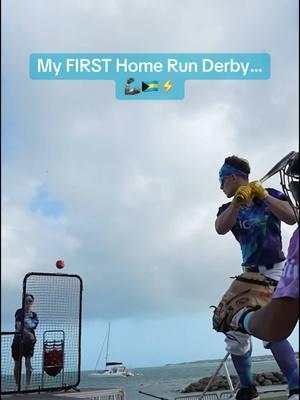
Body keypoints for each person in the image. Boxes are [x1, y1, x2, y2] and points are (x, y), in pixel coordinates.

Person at [215, 155, 298, 400]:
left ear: (232, 177)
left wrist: (263, 195)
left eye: (222, 180)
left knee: (271, 329)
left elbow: (291, 217)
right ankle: (248, 390)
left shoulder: (269, 196)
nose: (220, 186)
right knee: (232, 328)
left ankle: (296, 387)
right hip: (249, 274)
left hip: (276, 271)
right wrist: (237, 203)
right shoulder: (229, 207)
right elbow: (220, 227)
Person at [11, 294, 39, 386]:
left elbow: (33, 326)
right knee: (17, 365)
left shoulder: (34, 315)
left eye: (30, 301)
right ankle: (17, 386)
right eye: (26, 301)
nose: (28, 303)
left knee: (29, 365)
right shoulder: (19, 312)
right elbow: (19, 326)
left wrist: (31, 337)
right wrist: (29, 334)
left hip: (29, 343)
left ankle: (27, 386)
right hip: (18, 341)